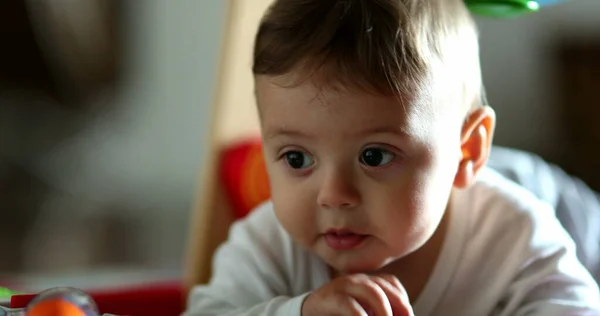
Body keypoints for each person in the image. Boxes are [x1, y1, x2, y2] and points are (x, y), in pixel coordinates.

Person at [184, 0, 600, 315]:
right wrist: (299, 310)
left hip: (569, 212)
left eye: (375, 155)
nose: (334, 195)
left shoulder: (513, 233)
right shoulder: (269, 245)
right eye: (296, 159)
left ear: (466, 151)